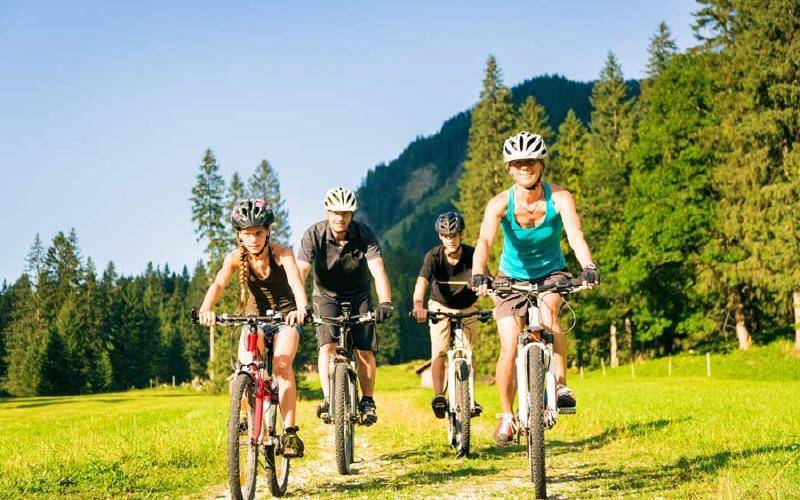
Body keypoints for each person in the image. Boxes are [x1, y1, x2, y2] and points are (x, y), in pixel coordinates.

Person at [469, 131, 599, 445]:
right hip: (509, 277)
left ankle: (560, 385)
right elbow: (485, 240)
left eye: (530, 162)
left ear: (540, 165)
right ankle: (507, 416)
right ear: (509, 169)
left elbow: (575, 235)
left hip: (551, 273)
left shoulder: (560, 198)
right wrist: (478, 273)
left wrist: (588, 267)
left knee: (549, 315)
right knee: (510, 345)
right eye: (517, 163)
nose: (524, 167)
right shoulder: (500, 203)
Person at [197, 199, 308, 458]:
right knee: (245, 366)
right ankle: (245, 414)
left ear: (267, 231)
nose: (254, 239)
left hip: (285, 319)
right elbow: (218, 285)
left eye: (258, 232)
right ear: (239, 235)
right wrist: (206, 309)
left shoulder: (282, 254)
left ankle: (290, 433)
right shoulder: (235, 258)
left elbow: (295, 283)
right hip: (254, 319)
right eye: (247, 234)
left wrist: (301, 309)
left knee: (281, 367)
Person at [296, 187, 393, 426]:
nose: (341, 218)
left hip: (359, 296)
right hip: (326, 296)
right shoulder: (313, 235)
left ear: (352, 215)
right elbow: (301, 271)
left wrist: (385, 302)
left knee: (364, 350)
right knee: (326, 347)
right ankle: (330, 399)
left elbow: (378, 271)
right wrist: (299, 305)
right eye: (336, 212)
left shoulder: (365, 235)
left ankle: (368, 400)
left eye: (346, 213)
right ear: (327, 212)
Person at [411, 211, 483, 418]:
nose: (450, 240)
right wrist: (418, 305)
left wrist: (497, 301)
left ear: (461, 235)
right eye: (446, 236)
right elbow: (422, 282)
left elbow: (485, 279)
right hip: (440, 306)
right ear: (440, 237)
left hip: (468, 306)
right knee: (440, 351)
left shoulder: (473, 255)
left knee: (469, 352)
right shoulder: (433, 256)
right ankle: (438, 396)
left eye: (454, 235)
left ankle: (469, 395)